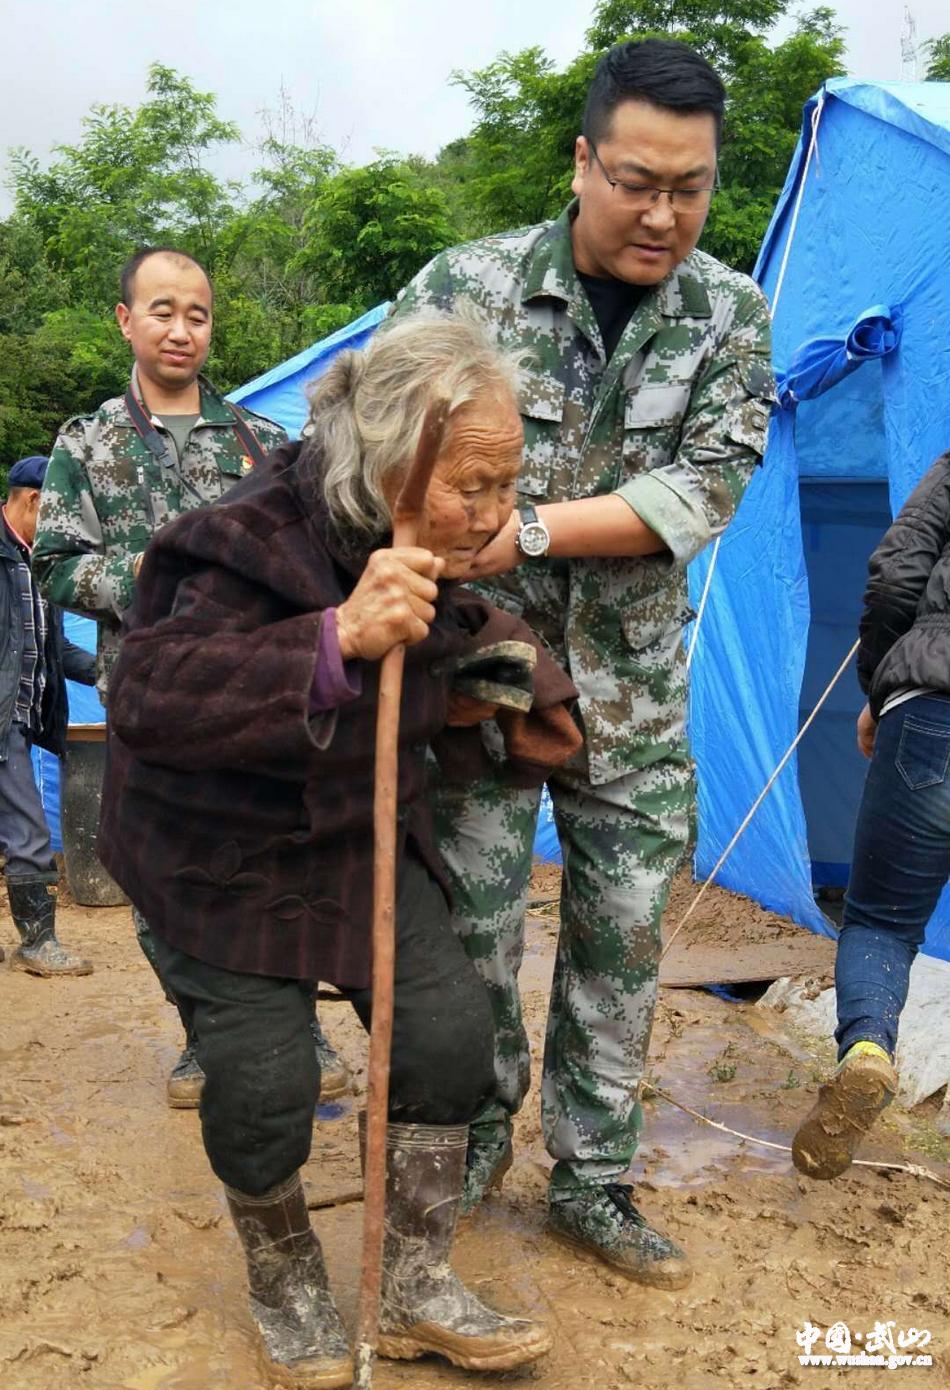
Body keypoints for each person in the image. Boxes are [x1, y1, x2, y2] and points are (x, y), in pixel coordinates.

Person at [96, 314, 580, 1386]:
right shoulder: (234, 538)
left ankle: (412, 1285)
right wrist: (330, 642)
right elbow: (145, 692)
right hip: (213, 855)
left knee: (451, 1037)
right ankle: (286, 1281)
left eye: (508, 482)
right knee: (265, 1085)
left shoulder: (421, 537)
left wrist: (482, 673)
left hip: (354, 837)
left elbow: (449, 635)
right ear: (388, 456)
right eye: (474, 484)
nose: (496, 513)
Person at [391, 37, 774, 1286]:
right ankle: (462, 1154)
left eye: (691, 186)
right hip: (483, 689)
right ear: (581, 159)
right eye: (635, 180)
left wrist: (533, 527)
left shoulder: (730, 313)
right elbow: (382, 450)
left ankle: (592, 1183)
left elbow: (703, 487)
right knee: (478, 942)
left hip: (634, 700)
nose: (662, 212)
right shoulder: (467, 288)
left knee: (619, 945)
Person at [33, 246, 349, 1106]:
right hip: (150, 695)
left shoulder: (266, 443)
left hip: (258, 691)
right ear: (126, 320)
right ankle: (203, 1038)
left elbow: (313, 558)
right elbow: (56, 563)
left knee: (278, 855)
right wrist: (153, 577)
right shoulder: (87, 443)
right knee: (161, 869)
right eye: (163, 310)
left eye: (198, 314)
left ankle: (301, 1030)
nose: (182, 329)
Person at [793, 449, 950, 1179]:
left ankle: (867, 1051)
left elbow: (896, 574)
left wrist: (880, 689)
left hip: (934, 707)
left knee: (882, 921)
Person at [1, 455, 96, 973]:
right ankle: (37, 944)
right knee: (29, 831)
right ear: (35, 500)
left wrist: (109, 672)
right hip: (1, 720)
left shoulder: (40, 564)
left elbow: (54, 648)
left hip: (21, 714)